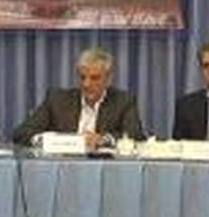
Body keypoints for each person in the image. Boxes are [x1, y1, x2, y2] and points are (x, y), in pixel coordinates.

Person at [12, 47, 143, 149]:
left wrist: (103, 139)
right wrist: (46, 140)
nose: (86, 84)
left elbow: (136, 136)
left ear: (108, 79)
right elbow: (21, 133)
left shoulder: (123, 101)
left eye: (95, 78)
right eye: (82, 77)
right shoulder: (57, 99)